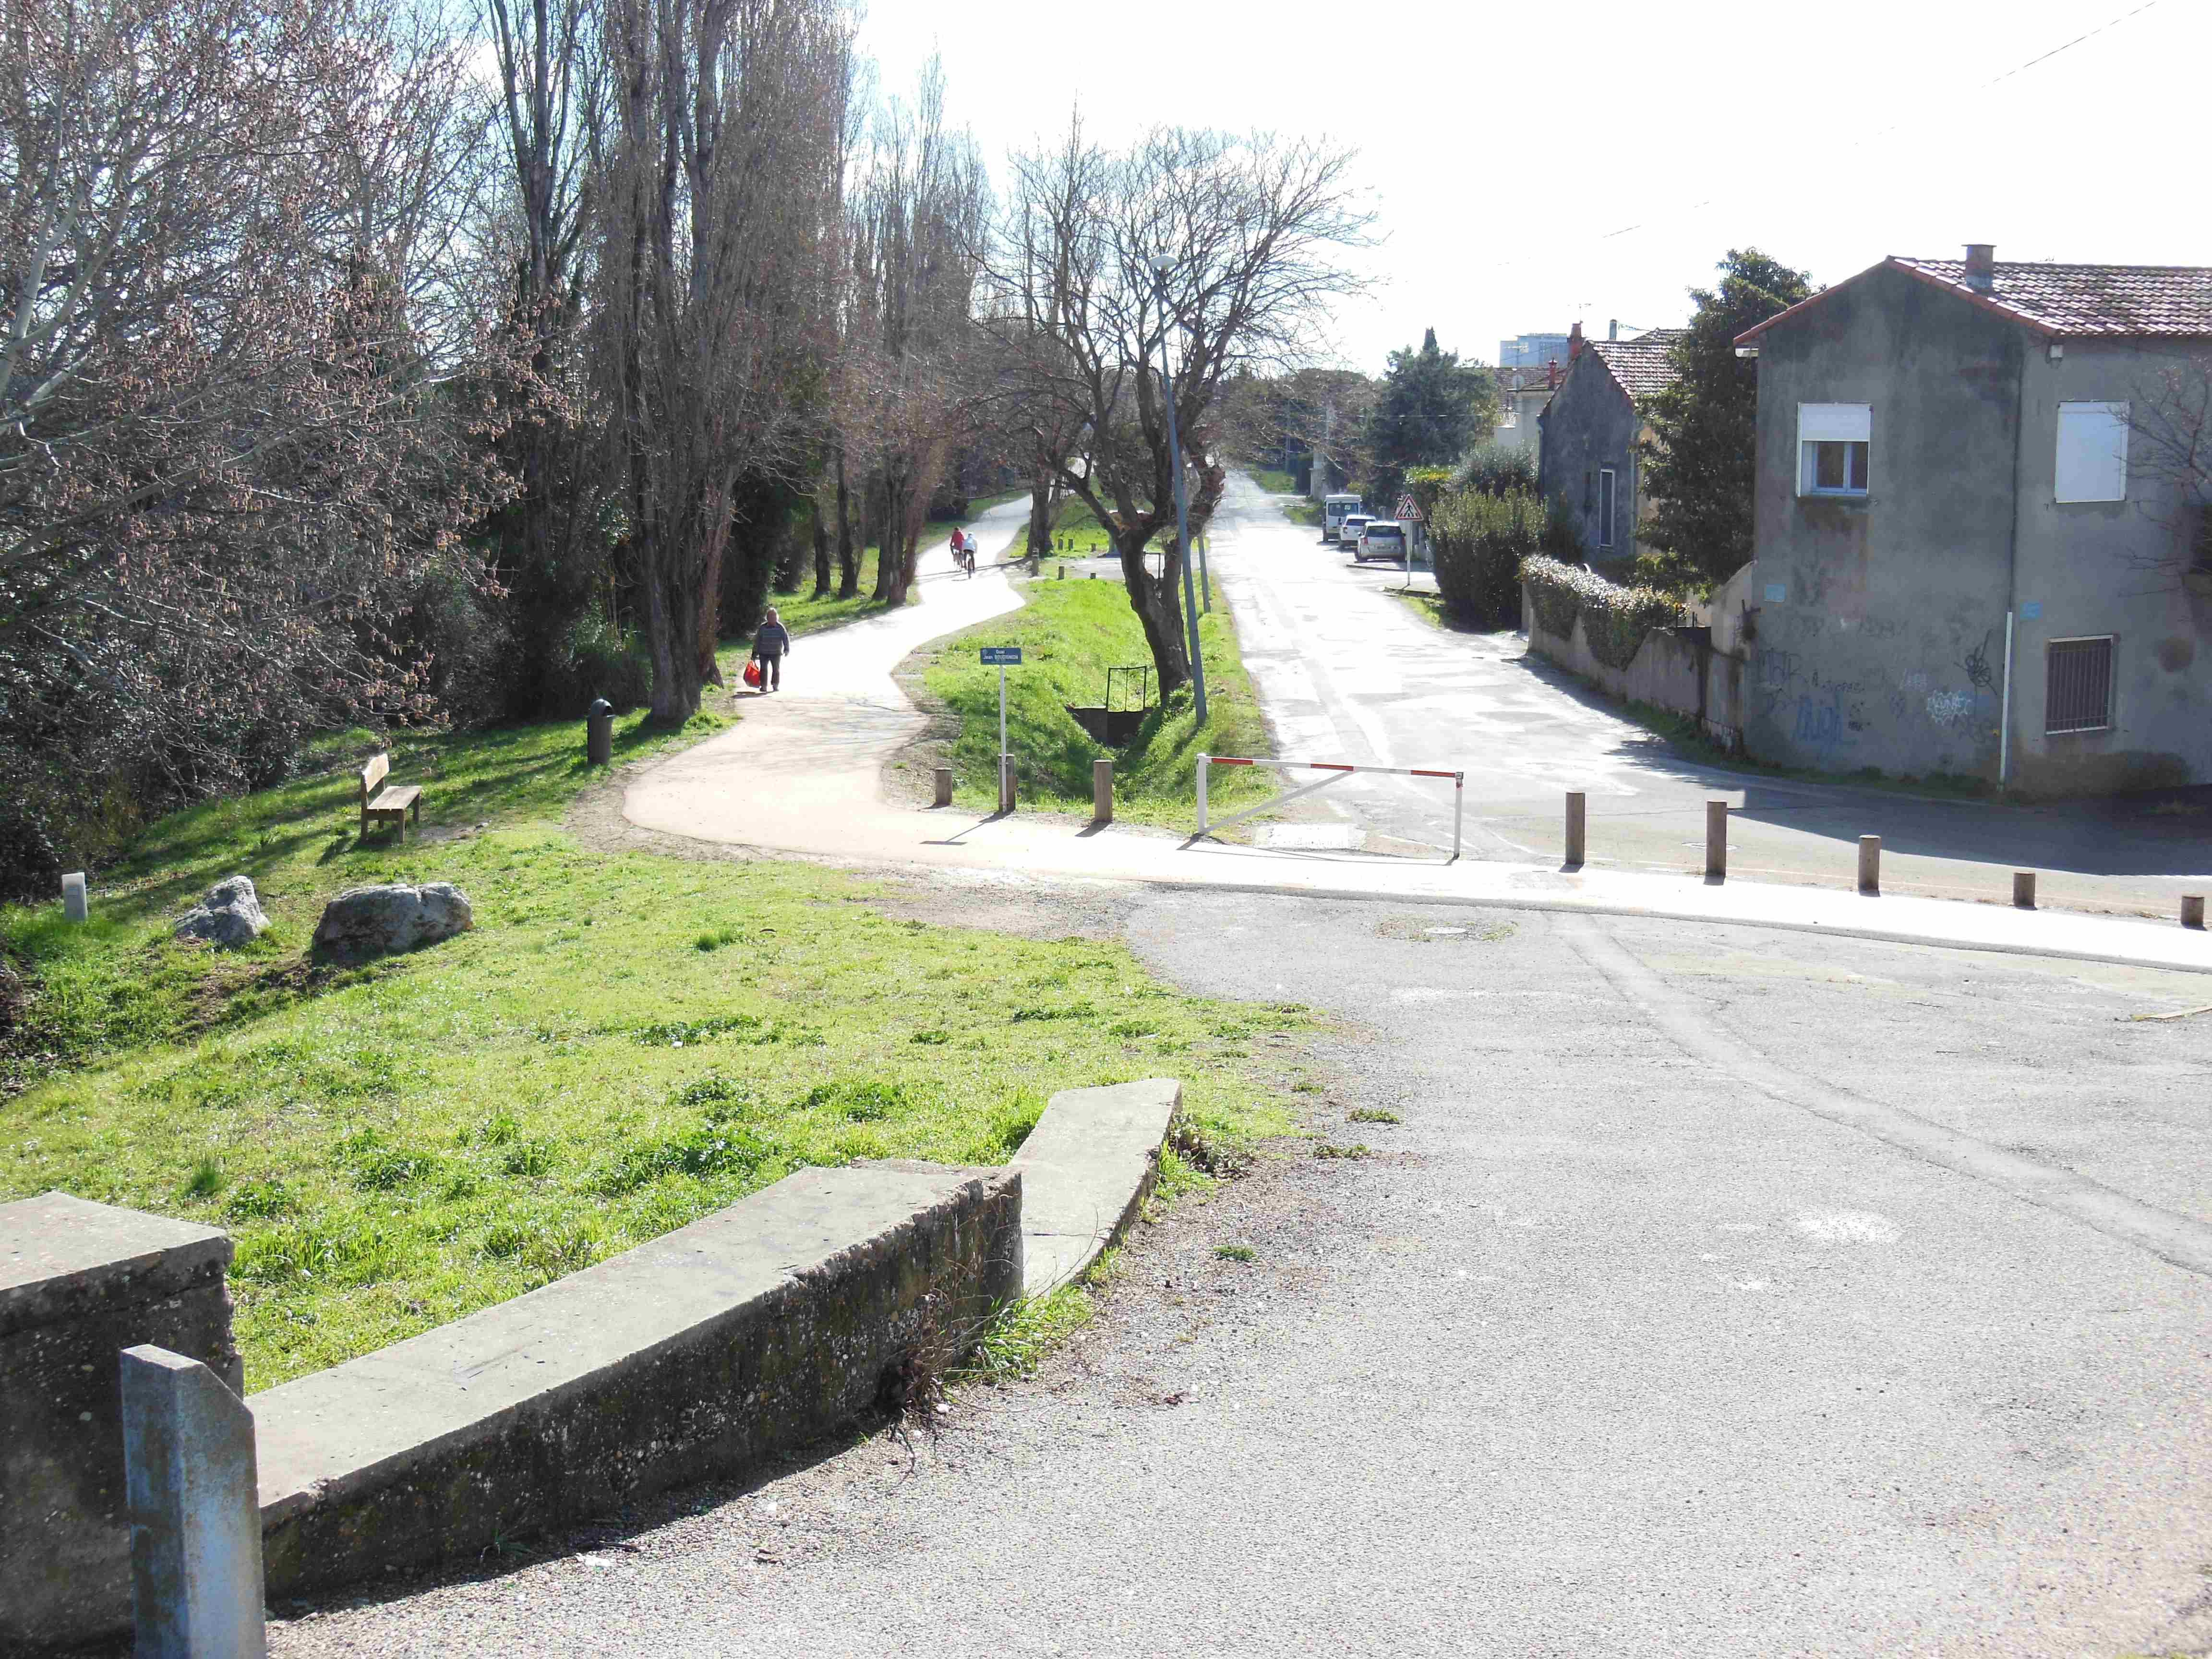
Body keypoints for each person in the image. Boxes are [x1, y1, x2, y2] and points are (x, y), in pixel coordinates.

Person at [751, 606, 791, 692]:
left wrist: (787, 649)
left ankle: (775, 685)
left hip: (776, 652)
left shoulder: (780, 627)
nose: (773, 619)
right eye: (771, 617)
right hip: (764, 652)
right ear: (767, 618)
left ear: (777, 617)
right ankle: (764, 686)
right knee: (763, 669)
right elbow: (758, 640)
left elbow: (785, 638)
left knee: (776, 669)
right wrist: (755, 652)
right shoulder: (763, 627)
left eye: (775, 617)